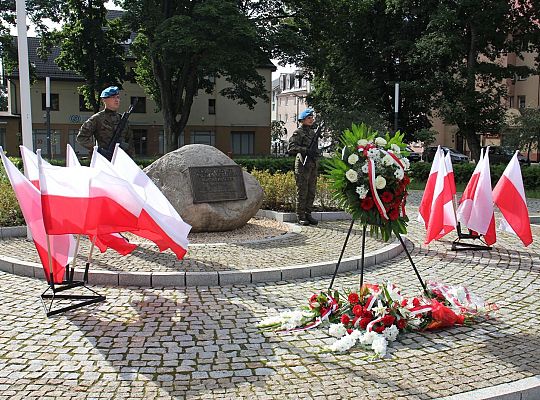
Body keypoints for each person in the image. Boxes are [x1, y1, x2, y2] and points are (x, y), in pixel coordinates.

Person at [77, 86, 134, 157]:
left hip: (121, 159)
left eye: (118, 97)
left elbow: (130, 142)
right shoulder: (97, 118)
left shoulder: (123, 120)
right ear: (104, 100)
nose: (116, 100)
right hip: (103, 159)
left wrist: (130, 159)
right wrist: (98, 150)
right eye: (113, 97)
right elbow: (81, 137)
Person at [288, 108, 320, 226]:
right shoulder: (298, 132)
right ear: (302, 120)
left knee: (311, 191)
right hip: (302, 164)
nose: (311, 120)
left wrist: (316, 152)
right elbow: (291, 148)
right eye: (309, 118)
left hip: (312, 164)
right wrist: (306, 150)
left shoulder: (312, 132)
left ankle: (308, 214)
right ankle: (300, 215)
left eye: (312, 118)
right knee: (302, 191)